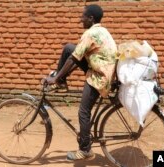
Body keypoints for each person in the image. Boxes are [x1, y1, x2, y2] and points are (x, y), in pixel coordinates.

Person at [45, 4, 117, 161]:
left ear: (91, 18)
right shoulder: (102, 30)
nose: (80, 19)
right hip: (101, 70)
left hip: (99, 77)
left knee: (83, 111)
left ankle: (85, 150)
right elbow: (75, 53)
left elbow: (74, 59)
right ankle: (61, 80)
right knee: (69, 48)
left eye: (83, 16)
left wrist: (55, 78)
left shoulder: (90, 34)